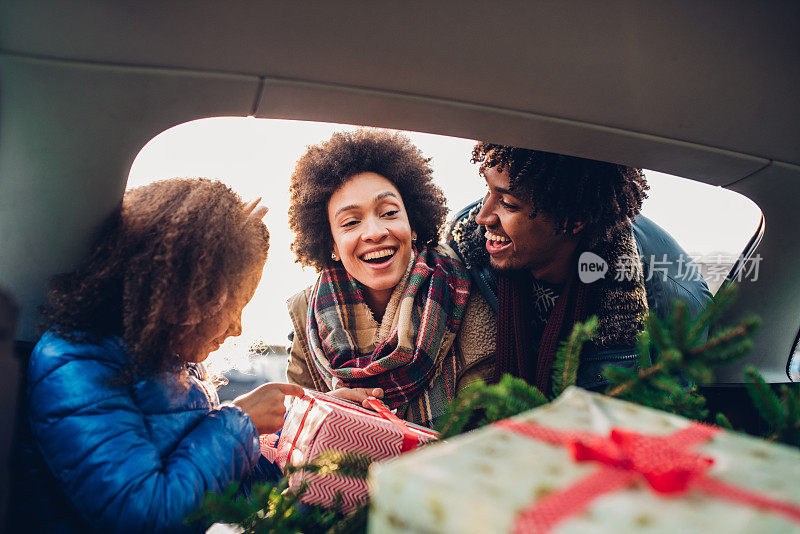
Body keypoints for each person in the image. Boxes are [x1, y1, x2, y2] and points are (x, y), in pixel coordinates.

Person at [24, 179, 304, 533]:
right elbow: (148, 517)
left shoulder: (165, 359)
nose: (237, 328)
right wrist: (240, 422)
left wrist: (309, 430)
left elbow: (217, 489)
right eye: (235, 306)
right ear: (188, 295)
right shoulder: (75, 363)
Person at [448, 143, 712, 395]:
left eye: (509, 204)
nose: (482, 216)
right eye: (488, 190)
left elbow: (663, 420)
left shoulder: (674, 302)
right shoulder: (466, 242)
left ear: (573, 220)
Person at [285, 129, 495, 427]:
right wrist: (330, 413)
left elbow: (486, 423)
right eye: (351, 222)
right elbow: (295, 426)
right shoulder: (306, 313)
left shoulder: (461, 287)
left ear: (413, 224)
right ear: (330, 244)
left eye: (389, 213)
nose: (374, 232)